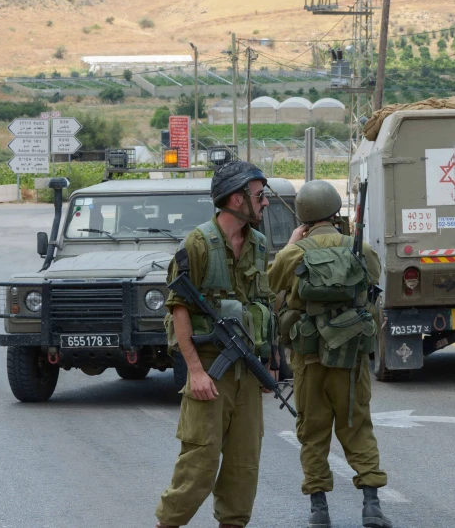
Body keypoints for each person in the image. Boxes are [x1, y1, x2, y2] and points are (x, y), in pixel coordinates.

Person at [154, 161, 275, 528]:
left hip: (247, 369)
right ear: (237, 199)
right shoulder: (197, 244)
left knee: (243, 466)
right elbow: (179, 310)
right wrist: (195, 372)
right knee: (199, 464)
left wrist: (268, 361)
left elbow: (264, 305)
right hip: (209, 365)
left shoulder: (258, 245)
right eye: (259, 196)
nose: (265, 203)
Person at [267, 180, 391, 528]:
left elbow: (268, 285)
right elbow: (373, 281)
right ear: (336, 212)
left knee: (313, 431)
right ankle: (371, 506)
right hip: (350, 357)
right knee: (357, 426)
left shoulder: (294, 254)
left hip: (308, 359)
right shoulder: (358, 248)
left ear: (303, 217)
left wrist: (292, 245)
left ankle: (319, 510)